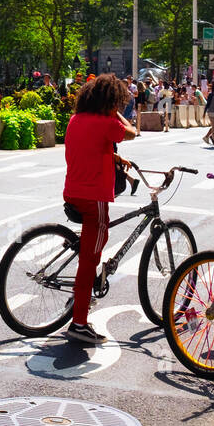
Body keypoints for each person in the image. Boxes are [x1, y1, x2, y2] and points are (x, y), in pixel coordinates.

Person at [62, 73, 137, 344]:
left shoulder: (76, 119)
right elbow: (132, 132)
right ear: (109, 102)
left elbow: (86, 147)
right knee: (90, 260)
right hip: (95, 198)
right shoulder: (108, 122)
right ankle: (79, 322)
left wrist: (112, 154)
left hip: (72, 192)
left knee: (89, 249)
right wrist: (118, 113)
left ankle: (79, 294)